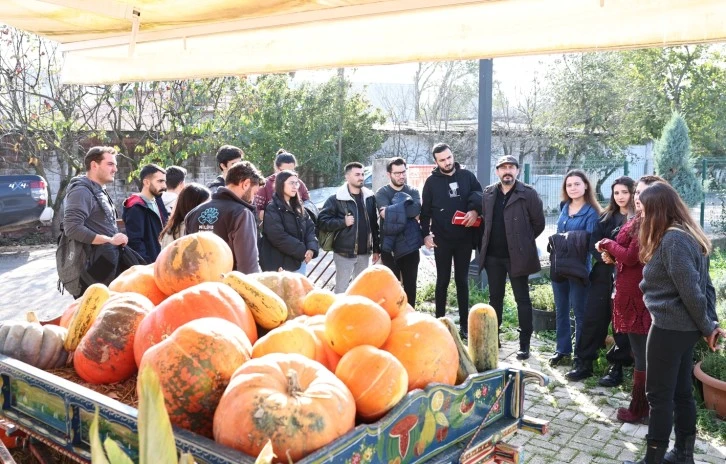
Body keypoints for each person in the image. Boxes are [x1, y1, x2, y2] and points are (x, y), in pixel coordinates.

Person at [624, 181, 724, 464]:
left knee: (658, 395)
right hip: (683, 328)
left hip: (670, 328)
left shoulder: (673, 239)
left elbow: (692, 290)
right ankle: (682, 454)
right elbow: (703, 286)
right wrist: (708, 324)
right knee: (681, 392)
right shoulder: (685, 233)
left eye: (643, 208)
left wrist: (708, 327)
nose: (639, 214)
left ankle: (653, 459)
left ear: (659, 209)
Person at [596, 176, 663, 424]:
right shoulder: (638, 219)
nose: (636, 197)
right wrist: (613, 257)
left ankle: (640, 408)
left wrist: (606, 244)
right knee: (640, 352)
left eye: (642, 193)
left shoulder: (647, 222)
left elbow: (633, 256)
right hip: (627, 291)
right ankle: (644, 406)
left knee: (642, 354)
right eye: (637, 192)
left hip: (637, 296)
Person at [566, 176, 634, 382]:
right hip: (604, 273)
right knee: (593, 318)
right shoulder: (606, 217)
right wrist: (605, 256)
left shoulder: (638, 218)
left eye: (625, 192)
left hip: (626, 276)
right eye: (616, 193)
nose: (620, 197)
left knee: (620, 323)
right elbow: (593, 242)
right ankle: (584, 362)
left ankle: (617, 367)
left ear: (633, 193)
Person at [479, 155, 545, 359]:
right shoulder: (489, 193)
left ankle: (524, 344)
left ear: (517, 170)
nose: (507, 171)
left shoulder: (528, 194)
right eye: (503, 168)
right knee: (494, 299)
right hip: (493, 256)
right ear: (497, 171)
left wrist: (521, 243)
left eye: (511, 167)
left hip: (518, 256)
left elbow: (539, 224)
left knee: (522, 299)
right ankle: (494, 339)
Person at [421, 143, 482, 338]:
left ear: (452, 155)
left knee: (462, 281)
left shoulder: (467, 176)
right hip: (442, 239)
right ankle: (440, 322)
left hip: (464, 238)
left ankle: (464, 324)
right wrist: (425, 234)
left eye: (449, 158)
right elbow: (425, 212)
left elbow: (480, 195)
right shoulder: (431, 183)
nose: (447, 162)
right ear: (436, 162)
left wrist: (474, 210)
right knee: (442, 281)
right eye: (442, 160)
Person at [549, 169, 601, 367]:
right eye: (569, 185)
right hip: (559, 266)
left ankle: (581, 355)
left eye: (577, 184)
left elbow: (588, 241)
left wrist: (565, 240)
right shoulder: (564, 206)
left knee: (580, 313)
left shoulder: (592, 212)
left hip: (579, 269)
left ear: (586, 186)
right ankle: (562, 350)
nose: (573, 188)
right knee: (561, 310)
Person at [62, 146, 128, 295]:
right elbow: (72, 227)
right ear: (94, 165)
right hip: (93, 269)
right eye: (110, 164)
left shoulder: (98, 189)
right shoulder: (81, 191)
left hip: (106, 264)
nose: (115, 169)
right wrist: (109, 240)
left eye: (115, 165)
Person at [186, 160, 265, 274]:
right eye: (254, 193)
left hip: (198, 286)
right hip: (229, 288)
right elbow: (248, 268)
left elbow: (186, 260)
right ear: (246, 184)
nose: (253, 199)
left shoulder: (193, 213)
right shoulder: (242, 213)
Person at [318, 162, 380, 293]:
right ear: (347, 177)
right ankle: (338, 313)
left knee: (361, 289)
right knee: (341, 289)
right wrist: (342, 222)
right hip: (344, 252)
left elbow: (374, 225)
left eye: (362, 174)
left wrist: (376, 249)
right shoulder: (336, 199)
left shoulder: (369, 197)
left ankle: (357, 313)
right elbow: (322, 222)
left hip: (364, 253)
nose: (361, 177)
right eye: (357, 174)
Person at [375, 157, 423, 308]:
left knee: (410, 288)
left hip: (410, 246)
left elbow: (416, 210)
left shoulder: (413, 191)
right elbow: (384, 215)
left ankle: (410, 318)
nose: (401, 176)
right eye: (397, 173)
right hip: (389, 248)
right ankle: (394, 321)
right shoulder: (382, 193)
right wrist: (406, 212)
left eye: (403, 172)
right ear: (389, 174)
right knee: (391, 289)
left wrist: (392, 211)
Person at [259, 170, 319, 273]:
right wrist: (303, 250)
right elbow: (278, 236)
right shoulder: (272, 208)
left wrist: (311, 248)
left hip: (300, 261)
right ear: (281, 184)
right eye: (291, 183)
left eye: (297, 183)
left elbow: (310, 228)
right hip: (280, 265)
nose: (295, 186)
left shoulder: (299, 207)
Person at [122, 164, 169, 263]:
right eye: (160, 181)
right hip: (149, 265)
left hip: (163, 259)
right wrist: (147, 264)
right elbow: (135, 242)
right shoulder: (136, 206)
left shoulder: (158, 201)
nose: (164, 186)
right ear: (146, 182)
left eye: (164, 181)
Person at [254, 150, 311, 221]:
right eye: (284, 171)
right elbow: (256, 211)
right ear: (276, 168)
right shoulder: (265, 184)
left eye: (291, 171)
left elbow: (308, 206)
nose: (288, 175)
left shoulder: (299, 184)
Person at [159, 183, 210, 249]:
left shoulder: (172, 229)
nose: (209, 208)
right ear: (193, 206)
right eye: (205, 205)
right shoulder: (192, 229)